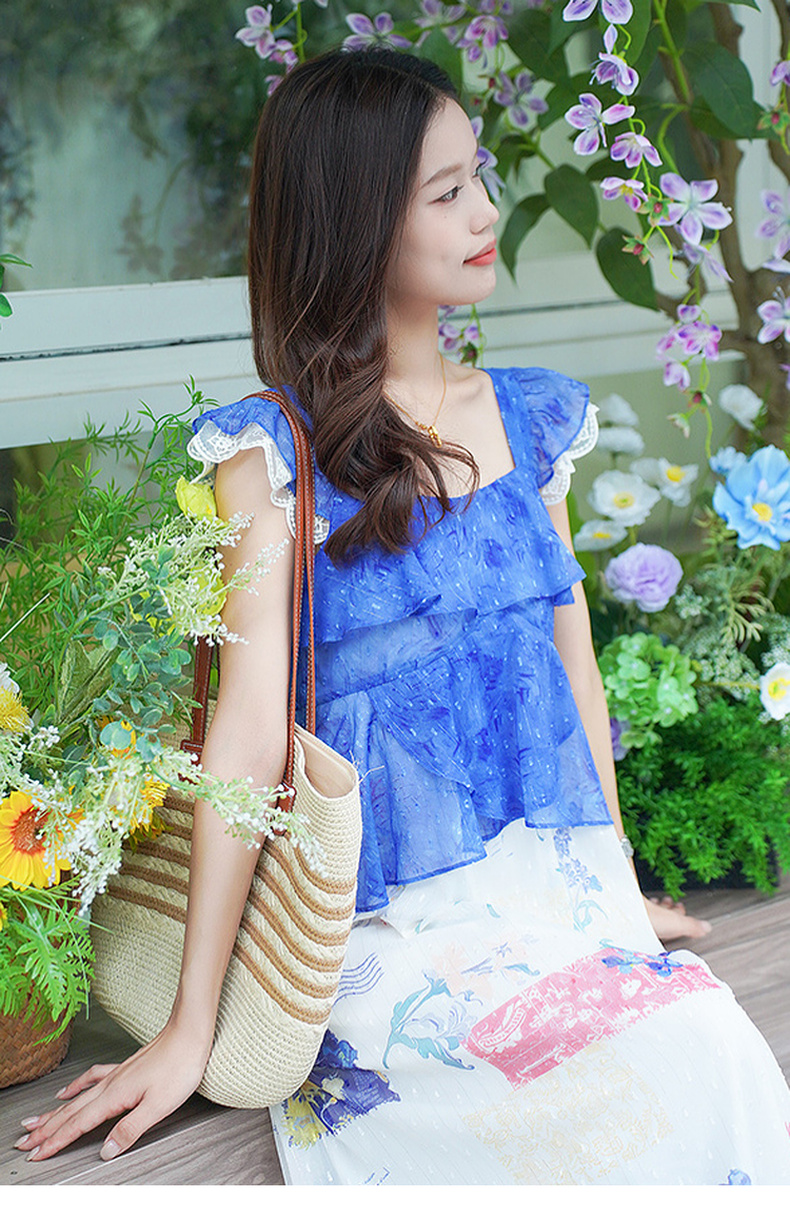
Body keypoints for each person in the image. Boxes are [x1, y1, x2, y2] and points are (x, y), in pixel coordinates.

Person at [15, 47, 790, 1184]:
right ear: (358, 220)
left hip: (550, 888)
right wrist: (191, 1024)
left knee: (710, 1046)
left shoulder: (530, 416)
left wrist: (615, 889)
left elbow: (571, 669)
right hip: (381, 929)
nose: (484, 214)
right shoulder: (272, 453)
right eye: (446, 192)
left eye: (479, 179)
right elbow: (247, 734)